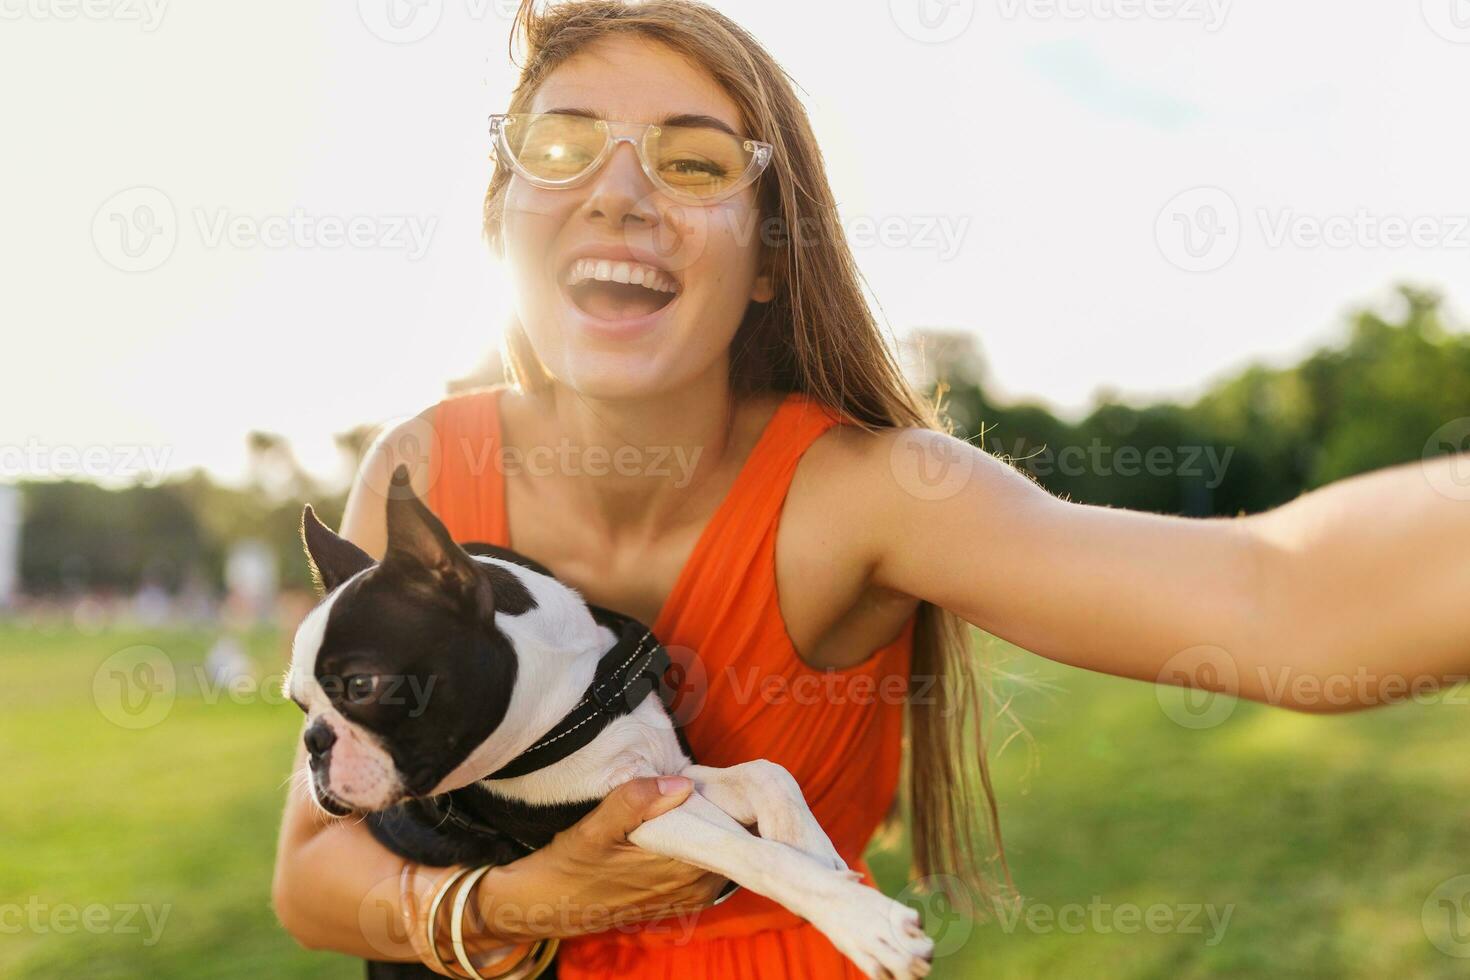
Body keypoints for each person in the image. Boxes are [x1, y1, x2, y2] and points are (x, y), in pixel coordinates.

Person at [271, 1, 1470, 977]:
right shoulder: (418, 470)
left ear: (766, 260)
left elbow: (1278, 592)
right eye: (562, 146)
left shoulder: (863, 493)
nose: (619, 193)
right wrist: (518, 904)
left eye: (693, 161)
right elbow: (312, 872)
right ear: (503, 217)